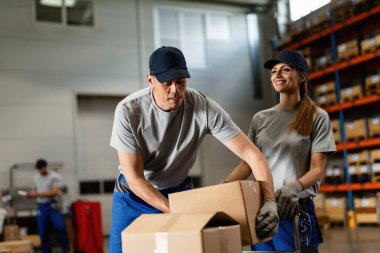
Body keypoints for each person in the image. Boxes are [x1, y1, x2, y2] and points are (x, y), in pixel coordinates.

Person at [108, 46, 279, 253]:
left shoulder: (203, 107)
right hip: (133, 197)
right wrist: (177, 212)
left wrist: (270, 201)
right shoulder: (129, 111)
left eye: (180, 82)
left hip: (178, 192)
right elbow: (135, 179)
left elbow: (253, 155)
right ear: (150, 80)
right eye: (167, 83)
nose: (175, 90)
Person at [224, 49, 336, 252]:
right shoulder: (260, 118)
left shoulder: (317, 117)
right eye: (274, 71)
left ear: (301, 77)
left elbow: (318, 169)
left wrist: (295, 187)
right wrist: (223, 189)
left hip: (293, 209)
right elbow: (246, 163)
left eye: (285, 69)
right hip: (262, 211)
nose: (277, 74)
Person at [28, 159, 69, 253]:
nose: (39, 171)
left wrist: (38, 194)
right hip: (41, 206)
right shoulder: (36, 177)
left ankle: (65, 249)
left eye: (41, 169)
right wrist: (32, 194)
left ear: (46, 167)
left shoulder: (55, 177)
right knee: (42, 231)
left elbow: (54, 192)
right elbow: (34, 190)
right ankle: (46, 251)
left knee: (60, 227)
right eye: (38, 169)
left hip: (52, 205)